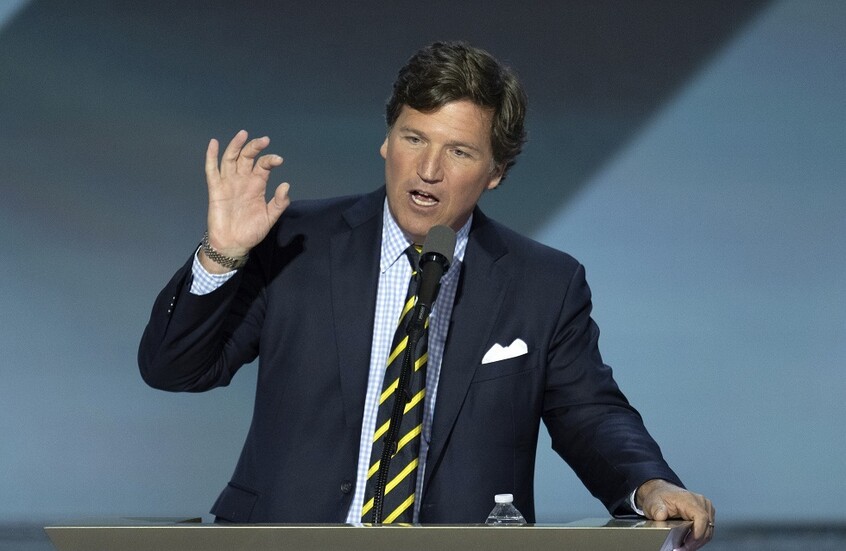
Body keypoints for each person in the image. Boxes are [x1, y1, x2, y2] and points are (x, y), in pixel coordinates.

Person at [139, 41, 715, 548]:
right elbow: (174, 368)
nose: (428, 169)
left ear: (496, 171)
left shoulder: (543, 283)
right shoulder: (296, 242)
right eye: (413, 138)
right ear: (386, 141)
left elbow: (588, 413)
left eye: (459, 151)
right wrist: (222, 255)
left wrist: (648, 484)